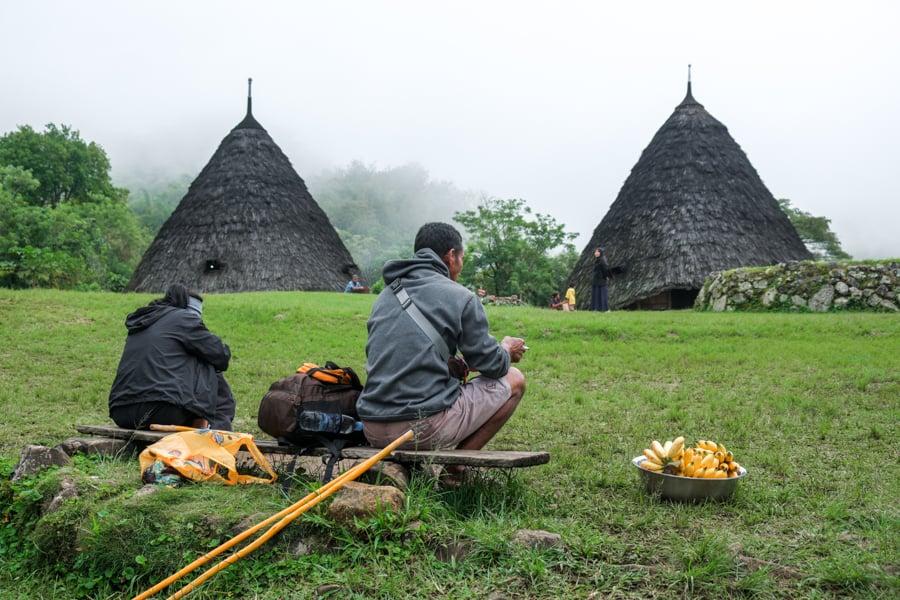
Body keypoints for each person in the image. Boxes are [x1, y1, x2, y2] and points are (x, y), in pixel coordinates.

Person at [356, 222, 527, 481]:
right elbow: (494, 366)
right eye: (461, 259)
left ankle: (410, 473)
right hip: (421, 429)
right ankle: (455, 471)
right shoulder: (461, 296)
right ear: (450, 256)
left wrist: (455, 364)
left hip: (372, 426)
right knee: (515, 379)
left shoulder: (385, 295)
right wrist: (505, 349)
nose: (460, 267)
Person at [108, 283, 236, 431]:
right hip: (163, 411)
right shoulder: (183, 318)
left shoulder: (143, 322)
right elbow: (220, 354)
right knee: (208, 361)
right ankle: (216, 430)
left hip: (121, 412)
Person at [590, 247, 612, 312]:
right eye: (595, 252)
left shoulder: (603, 260)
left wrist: (607, 276)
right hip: (596, 279)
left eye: (597, 252)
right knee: (596, 294)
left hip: (601, 279)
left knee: (602, 294)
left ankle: (605, 309)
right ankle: (596, 308)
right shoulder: (598, 260)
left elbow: (605, 269)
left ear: (601, 253)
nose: (595, 253)